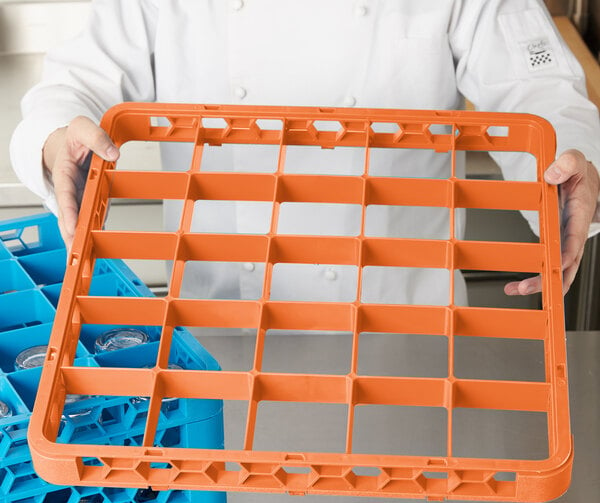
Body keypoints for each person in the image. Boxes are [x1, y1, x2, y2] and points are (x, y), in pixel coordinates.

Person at [10, 0, 600, 306]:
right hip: (220, 331)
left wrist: (572, 166)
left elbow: (538, 91)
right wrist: (58, 135)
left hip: (409, 334)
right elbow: (73, 84)